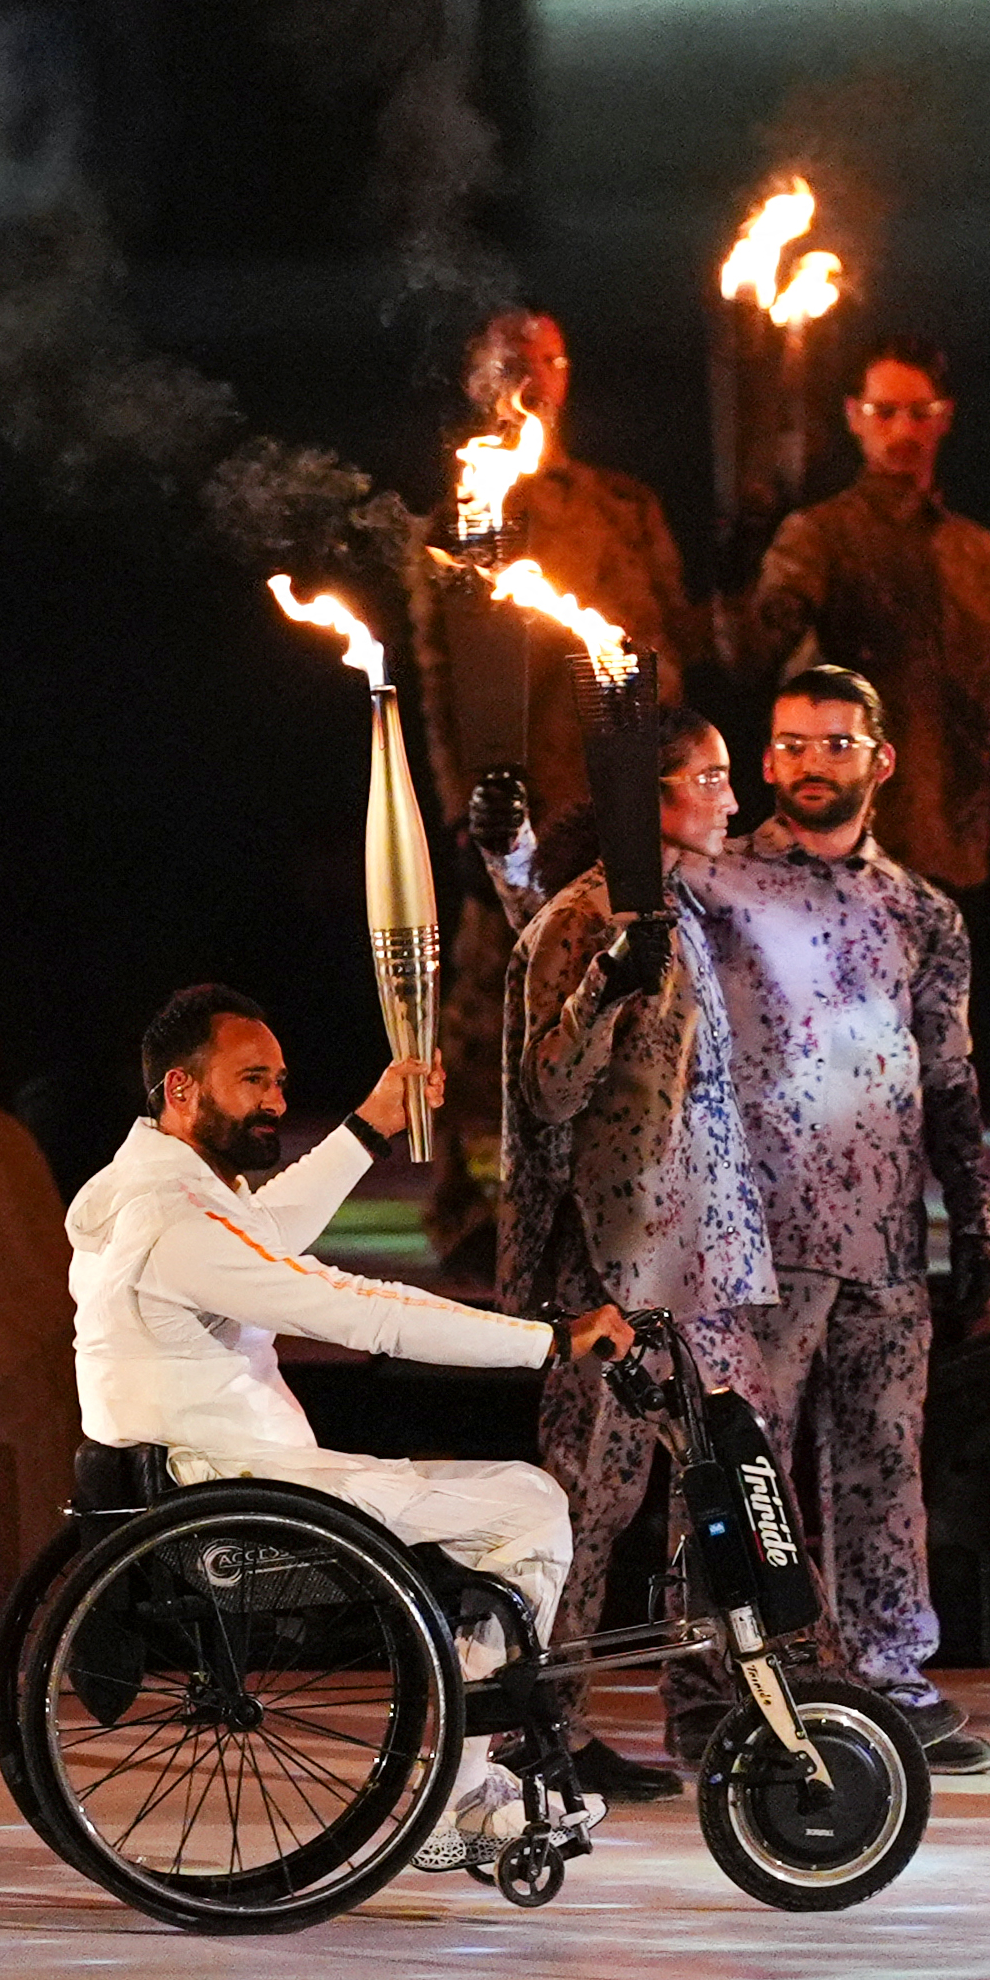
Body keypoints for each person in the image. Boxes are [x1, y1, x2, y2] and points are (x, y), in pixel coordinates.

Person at [66, 985, 634, 1862]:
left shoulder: (143, 1191)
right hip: (241, 1503)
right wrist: (548, 1340)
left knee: (502, 1505)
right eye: (252, 1079)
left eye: (281, 1080)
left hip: (213, 1483)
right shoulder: (172, 1222)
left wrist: (369, 1123)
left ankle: (466, 1765)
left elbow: (267, 1234)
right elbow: (361, 1310)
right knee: (525, 1506)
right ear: (180, 1089)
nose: (277, 1100)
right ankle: (459, 1795)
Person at [681, 665, 990, 1773]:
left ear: (877, 759)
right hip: (754, 1239)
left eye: (832, 743)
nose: (809, 763)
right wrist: (508, 850)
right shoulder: (711, 883)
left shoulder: (918, 909)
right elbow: (571, 912)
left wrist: (969, 1220)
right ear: (764, 761)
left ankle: (886, 1682)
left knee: (880, 1464)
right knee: (737, 1469)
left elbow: (949, 1076)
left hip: (881, 1237)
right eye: (789, 744)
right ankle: (723, 1688)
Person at [497, 704, 777, 1804]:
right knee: (580, 1502)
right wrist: (610, 979)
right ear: (648, 795)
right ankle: (540, 1727)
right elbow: (547, 1087)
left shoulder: (677, 907)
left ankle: (733, 1712)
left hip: (696, 1258)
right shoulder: (584, 921)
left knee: (720, 1488)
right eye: (706, 778)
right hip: (610, 1267)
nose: (728, 797)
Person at [407, 309, 699, 1268]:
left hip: (612, 799)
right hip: (515, 810)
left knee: (627, 997)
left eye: (541, 361)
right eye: (504, 364)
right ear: (476, 380)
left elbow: (673, 649)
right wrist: (463, 812)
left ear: (564, 375)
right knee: (493, 1002)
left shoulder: (622, 507)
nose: (525, 378)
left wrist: (676, 791)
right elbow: (443, 677)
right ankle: (472, 1205)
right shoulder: (462, 522)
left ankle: (616, 1189)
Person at [736, 337, 990, 908]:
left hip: (956, 854)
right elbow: (756, 647)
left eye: (920, 413)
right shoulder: (820, 536)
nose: (902, 431)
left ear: (945, 420)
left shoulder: (977, 552)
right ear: (854, 418)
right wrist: (752, 563)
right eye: (884, 412)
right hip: (850, 851)